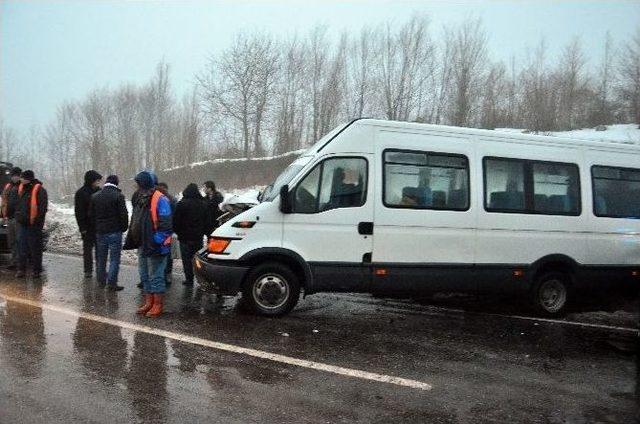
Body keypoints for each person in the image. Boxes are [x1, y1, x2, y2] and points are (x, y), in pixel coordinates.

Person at [124, 171, 172, 318]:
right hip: (143, 244)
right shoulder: (140, 198)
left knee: (156, 276)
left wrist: (156, 241)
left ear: (143, 183)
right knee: (144, 275)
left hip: (155, 246)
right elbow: (136, 219)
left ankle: (157, 304)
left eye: (137, 182)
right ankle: (148, 301)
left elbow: (166, 225)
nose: (135, 185)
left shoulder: (160, 199)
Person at [91, 175, 128, 291]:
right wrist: (123, 228)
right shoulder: (119, 196)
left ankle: (101, 280)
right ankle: (111, 283)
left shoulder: (95, 196)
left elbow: (91, 215)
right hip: (114, 231)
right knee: (114, 259)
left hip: (100, 232)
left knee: (101, 258)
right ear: (116, 184)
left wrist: (96, 227)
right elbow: (124, 215)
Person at [15, 170, 48, 278]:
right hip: (23, 224)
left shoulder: (40, 190)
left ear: (27, 179)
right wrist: (18, 217)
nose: (21, 179)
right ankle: (21, 270)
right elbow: (19, 206)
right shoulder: (22, 189)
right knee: (22, 248)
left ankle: (36, 271)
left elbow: (42, 208)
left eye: (22, 178)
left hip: (34, 225)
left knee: (35, 249)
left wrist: (37, 222)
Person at [173, 183, 208, 286]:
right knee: (198, 259)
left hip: (184, 238)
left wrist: (179, 232)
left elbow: (176, 221)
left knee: (186, 260)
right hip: (198, 238)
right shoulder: (203, 204)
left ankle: (189, 279)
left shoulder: (181, 204)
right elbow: (206, 221)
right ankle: (200, 279)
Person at [75, 170, 103, 278]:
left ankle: (100, 269)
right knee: (87, 249)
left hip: (99, 225)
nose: (98, 183)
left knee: (99, 249)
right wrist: (82, 227)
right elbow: (79, 212)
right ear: (91, 180)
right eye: (97, 181)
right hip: (87, 226)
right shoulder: (81, 193)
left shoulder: (100, 191)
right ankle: (88, 270)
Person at [1, 167, 22, 270]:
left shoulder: (23, 187)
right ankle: (14, 262)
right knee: (12, 241)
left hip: (18, 219)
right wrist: (3, 215)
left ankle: (20, 262)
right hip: (9, 218)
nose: (15, 177)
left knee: (20, 241)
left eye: (17, 175)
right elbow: (4, 201)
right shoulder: (8, 186)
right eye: (13, 175)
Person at [156, 182, 176, 285]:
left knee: (161, 253)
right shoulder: (172, 199)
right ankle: (167, 274)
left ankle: (161, 274)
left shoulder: (156, 199)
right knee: (167, 253)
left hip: (159, 230)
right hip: (169, 230)